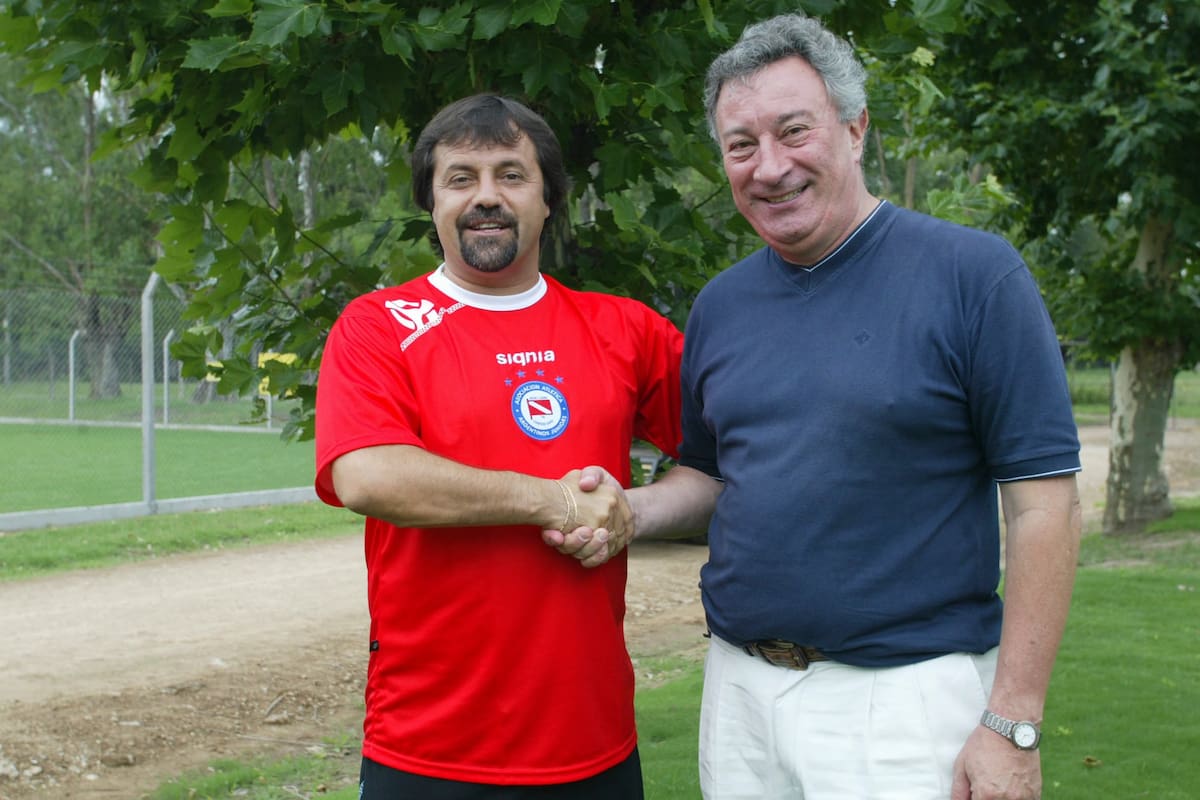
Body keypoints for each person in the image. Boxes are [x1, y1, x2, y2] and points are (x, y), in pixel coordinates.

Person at [551, 12, 1082, 800]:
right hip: (739, 695)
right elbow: (712, 472)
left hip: (904, 705)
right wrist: (626, 509)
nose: (769, 167)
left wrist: (1012, 722)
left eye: (793, 131)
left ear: (855, 126)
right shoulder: (723, 306)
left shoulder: (974, 277)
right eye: (741, 145)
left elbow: (1046, 508)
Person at [314, 93, 685, 799]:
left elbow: (726, 464)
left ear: (549, 201)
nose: (486, 197)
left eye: (511, 175)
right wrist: (550, 500)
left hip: (595, 741)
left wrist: (629, 509)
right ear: (432, 202)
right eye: (461, 178)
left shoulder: (627, 329)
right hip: (428, 748)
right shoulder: (378, 326)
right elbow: (367, 475)